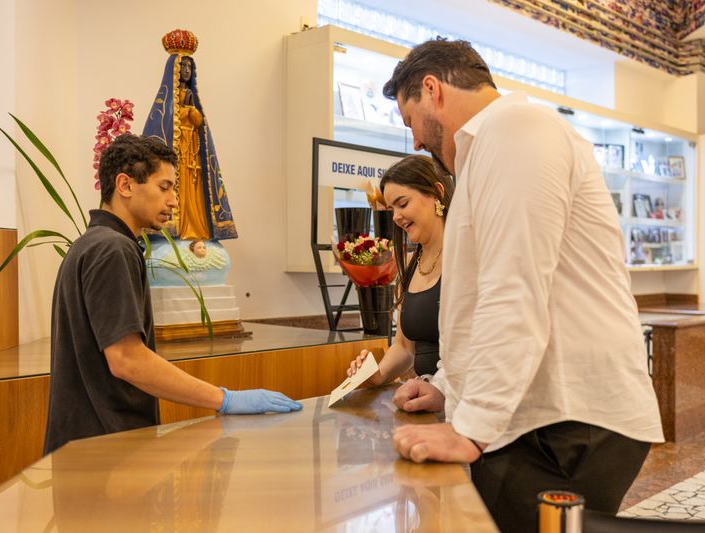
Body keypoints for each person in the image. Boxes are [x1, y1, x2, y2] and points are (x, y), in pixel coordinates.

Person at [383, 39, 664, 530]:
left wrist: (471, 428)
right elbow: (476, 303)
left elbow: (514, 289)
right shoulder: (489, 148)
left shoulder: (516, 128)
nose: (416, 143)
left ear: (432, 89)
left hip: (569, 419)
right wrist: (447, 389)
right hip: (536, 415)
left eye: (411, 122)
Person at [43, 134, 301, 454]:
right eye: (164, 187)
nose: (175, 201)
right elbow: (127, 360)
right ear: (125, 185)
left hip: (87, 446)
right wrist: (224, 399)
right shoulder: (113, 249)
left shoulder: (92, 243)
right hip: (105, 449)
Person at [346, 155, 454, 386]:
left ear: (437, 193)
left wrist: (440, 391)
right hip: (424, 393)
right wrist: (376, 375)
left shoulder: (467, 257)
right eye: (391, 209)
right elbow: (405, 348)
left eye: (403, 204)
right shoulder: (409, 265)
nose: (395, 217)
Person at [142, 28, 237, 241]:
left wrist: (192, 111)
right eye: (182, 66)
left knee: (195, 191)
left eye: (189, 67)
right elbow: (164, 125)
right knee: (178, 189)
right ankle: (177, 229)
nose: (186, 70)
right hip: (177, 156)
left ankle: (197, 228)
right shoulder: (167, 100)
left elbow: (199, 122)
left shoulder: (192, 96)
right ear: (173, 69)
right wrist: (186, 112)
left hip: (193, 152)